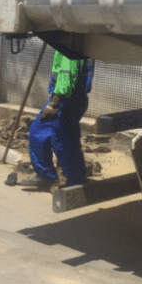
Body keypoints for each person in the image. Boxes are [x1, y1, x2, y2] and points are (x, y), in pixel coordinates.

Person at [21, 49, 94, 187]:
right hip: (64, 98)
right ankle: (46, 176)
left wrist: (54, 103)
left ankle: (76, 181)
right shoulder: (69, 43)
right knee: (38, 133)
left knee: (64, 142)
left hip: (66, 99)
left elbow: (66, 74)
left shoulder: (70, 46)